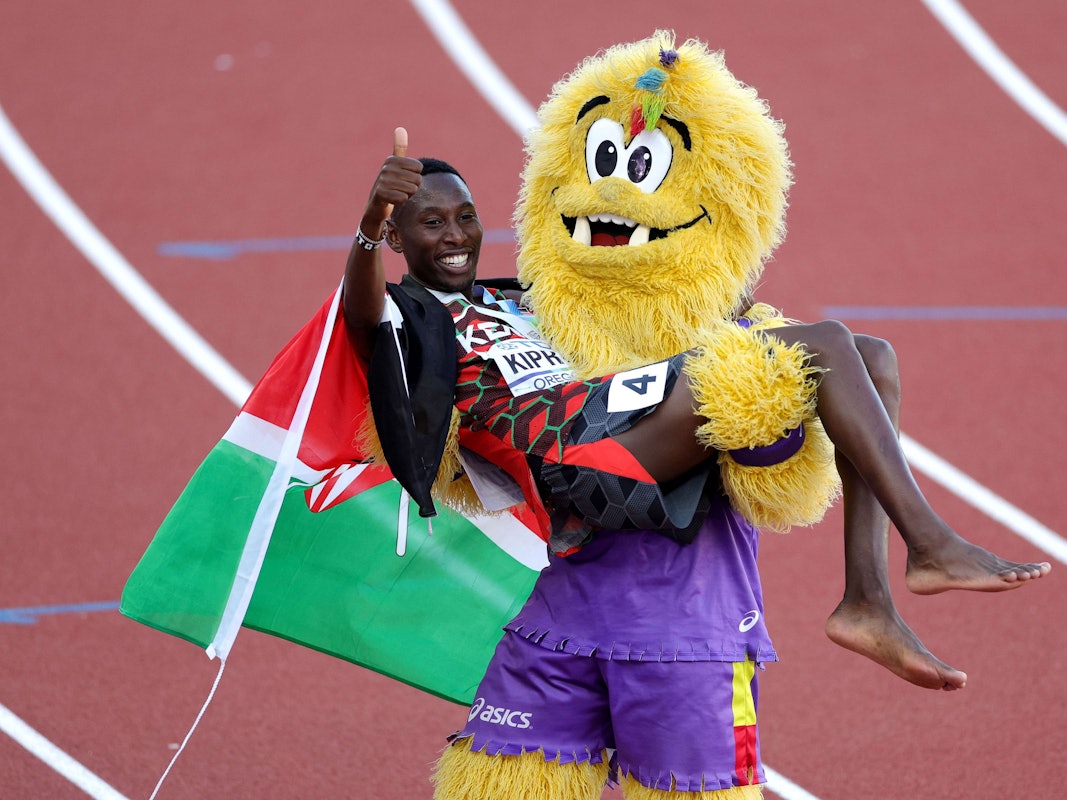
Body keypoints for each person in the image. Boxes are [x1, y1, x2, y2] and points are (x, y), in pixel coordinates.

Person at [344, 129, 1051, 797]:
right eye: (431, 223)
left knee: (871, 355)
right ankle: (929, 543)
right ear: (399, 238)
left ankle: (868, 599)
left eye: (465, 218)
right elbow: (362, 317)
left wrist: (705, 270)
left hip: (621, 421)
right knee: (828, 343)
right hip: (573, 455)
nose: (456, 236)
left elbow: (627, 298)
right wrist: (370, 225)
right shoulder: (411, 318)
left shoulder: (513, 296)